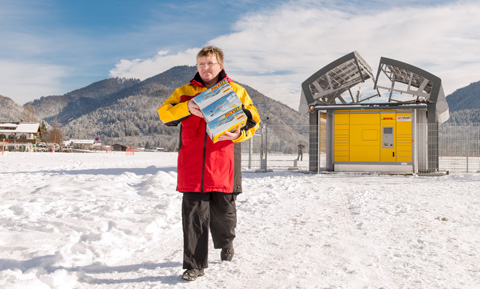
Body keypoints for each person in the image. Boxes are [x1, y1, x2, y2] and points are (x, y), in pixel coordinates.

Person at [157, 46, 261, 281]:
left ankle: (226, 243)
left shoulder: (236, 91)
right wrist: (187, 108)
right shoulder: (184, 93)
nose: (205, 68)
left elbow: (253, 122)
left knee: (225, 215)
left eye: (210, 63)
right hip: (192, 167)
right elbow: (164, 114)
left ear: (220, 66)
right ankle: (195, 265)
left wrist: (238, 136)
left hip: (224, 165)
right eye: (201, 64)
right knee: (194, 217)